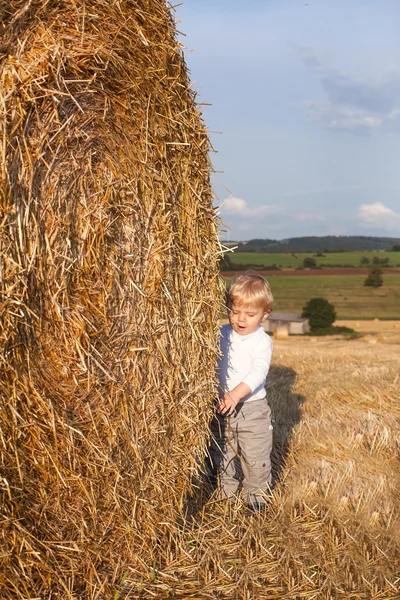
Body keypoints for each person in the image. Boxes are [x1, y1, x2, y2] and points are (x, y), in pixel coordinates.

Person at [209, 273, 274, 509]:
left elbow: (258, 373)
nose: (240, 320)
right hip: (222, 407)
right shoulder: (221, 333)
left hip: (251, 410)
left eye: (250, 314)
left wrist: (235, 394)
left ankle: (256, 497)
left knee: (254, 458)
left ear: (265, 314)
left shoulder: (261, 341)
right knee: (222, 452)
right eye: (234, 312)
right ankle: (225, 492)